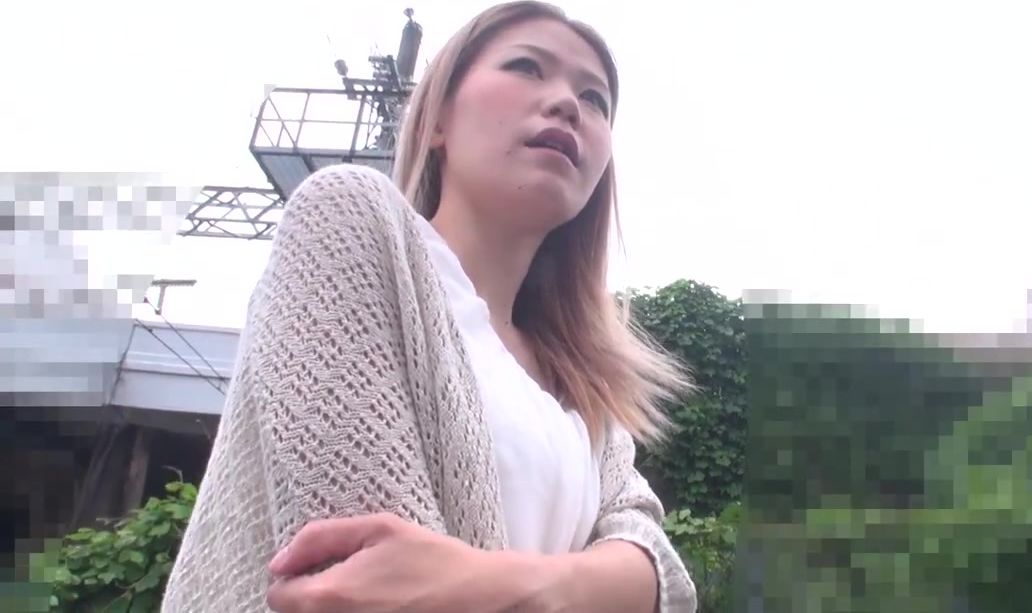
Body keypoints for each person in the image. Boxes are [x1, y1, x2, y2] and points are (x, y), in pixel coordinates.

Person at [161, 2, 699, 611]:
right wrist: (598, 587)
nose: (568, 104)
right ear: (437, 118)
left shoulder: (585, 384)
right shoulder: (346, 221)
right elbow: (368, 583)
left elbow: (665, 574)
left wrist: (522, 588)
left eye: (595, 98)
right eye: (526, 67)